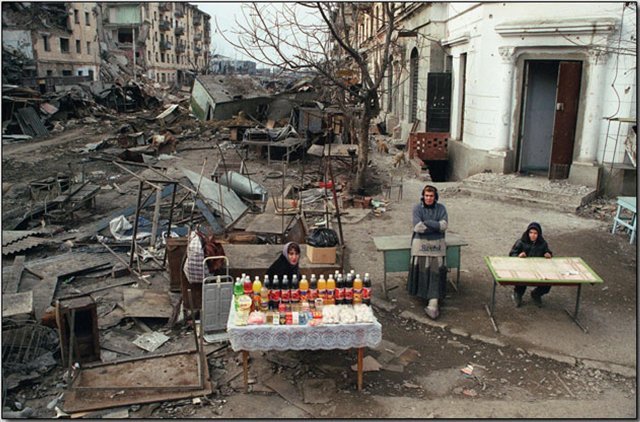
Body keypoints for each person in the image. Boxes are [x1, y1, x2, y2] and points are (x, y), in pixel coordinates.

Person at [407, 185, 448, 320]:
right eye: (426, 196)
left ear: (435, 197)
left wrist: (428, 222)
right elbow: (418, 228)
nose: (428, 198)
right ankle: (423, 295)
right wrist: (436, 226)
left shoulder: (441, 208)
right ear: (423, 196)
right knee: (422, 270)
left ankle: (433, 302)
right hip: (421, 244)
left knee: (436, 271)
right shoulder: (417, 208)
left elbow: (444, 226)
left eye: (431, 196)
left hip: (437, 245)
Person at [509, 222, 553, 307]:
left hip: (538, 269)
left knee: (548, 283)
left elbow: (548, 252)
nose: (533, 235)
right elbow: (512, 254)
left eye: (535, 233)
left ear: (539, 234)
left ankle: (536, 294)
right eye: (531, 233)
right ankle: (518, 294)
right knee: (522, 281)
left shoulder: (543, 243)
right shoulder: (521, 242)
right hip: (523, 269)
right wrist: (518, 256)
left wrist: (548, 254)